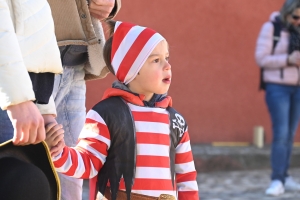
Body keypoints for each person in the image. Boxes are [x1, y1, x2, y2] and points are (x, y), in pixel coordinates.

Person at [46, 20, 199, 200]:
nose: (167, 66)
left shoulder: (176, 121)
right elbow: (88, 162)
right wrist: (58, 152)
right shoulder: (105, 114)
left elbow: (186, 177)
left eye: (167, 58)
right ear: (131, 70)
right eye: (156, 60)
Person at [46, 1, 121, 199]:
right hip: (27, 62)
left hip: (76, 62)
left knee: (71, 178)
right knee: (21, 169)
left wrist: (111, 3)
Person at [0, 0, 63, 199]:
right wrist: (17, 99)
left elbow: (35, 29)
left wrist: (44, 106)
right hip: (8, 96)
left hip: (22, 94)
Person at [255, 0, 300, 196]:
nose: (298, 21)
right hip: (277, 88)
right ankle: (277, 179)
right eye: (295, 17)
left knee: (290, 134)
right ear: (286, 14)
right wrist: (288, 60)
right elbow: (261, 58)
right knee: (281, 133)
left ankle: (285, 175)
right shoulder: (271, 28)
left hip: (297, 88)